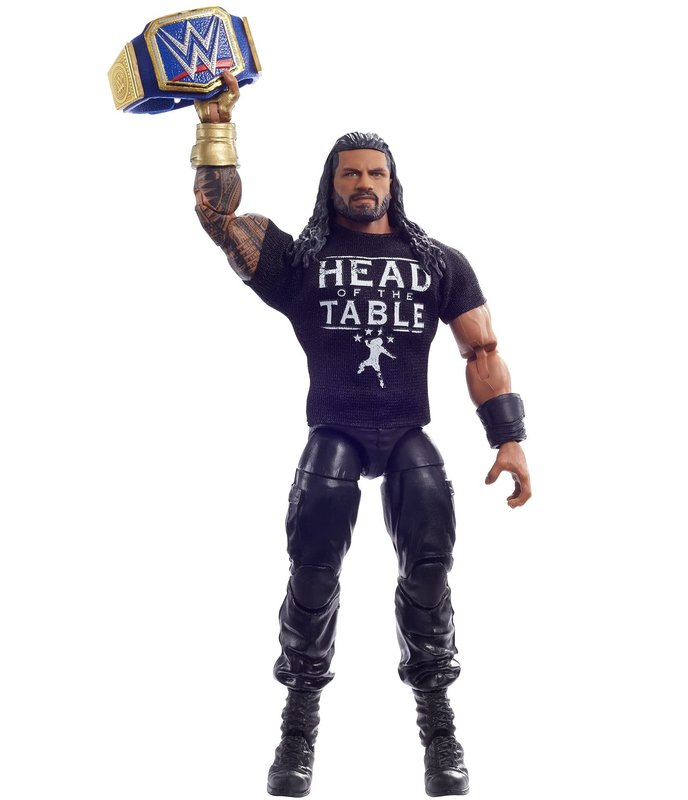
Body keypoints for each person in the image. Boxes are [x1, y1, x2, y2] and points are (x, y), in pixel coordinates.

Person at [191, 73, 531, 798]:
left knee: (430, 573)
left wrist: (508, 437)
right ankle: (297, 728)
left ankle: (439, 728)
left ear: (393, 182)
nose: (365, 183)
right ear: (332, 183)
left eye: (376, 173)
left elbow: (482, 349)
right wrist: (215, 126)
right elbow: (221, 219)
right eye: (351, 173)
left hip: (407, 431)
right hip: (336, 430)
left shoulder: (436, 261)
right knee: (312, 573)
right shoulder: (301, 262)